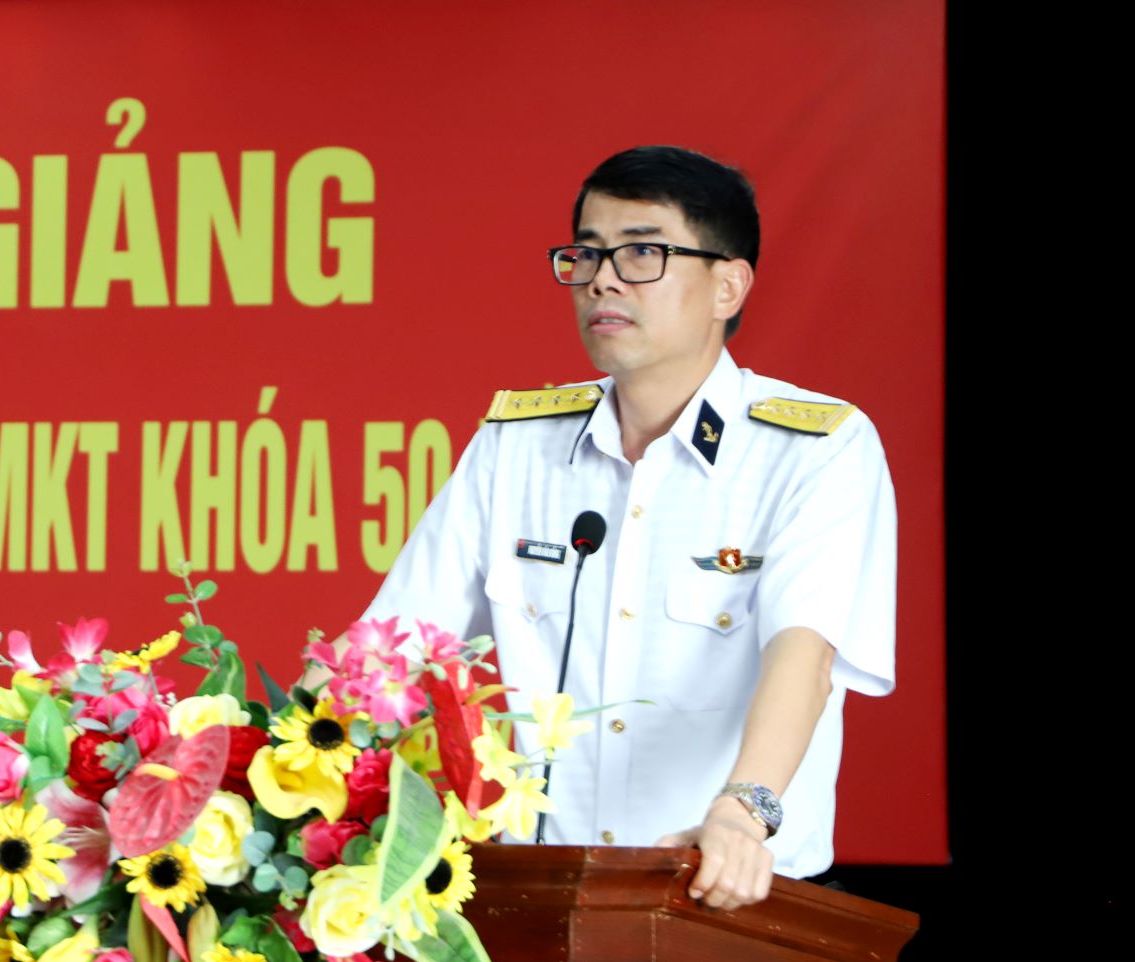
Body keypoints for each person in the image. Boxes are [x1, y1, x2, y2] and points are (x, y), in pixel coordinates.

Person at [349, 145, 896, 911]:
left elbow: (803, 655)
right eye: (587, 254)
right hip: (538, 900)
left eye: (642, 252)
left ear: (728, 285)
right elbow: (388, 649)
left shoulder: (813, 448)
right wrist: (258, 775)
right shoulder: (517, 446)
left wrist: (741, 815)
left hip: (726, 895)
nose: (603, 279)